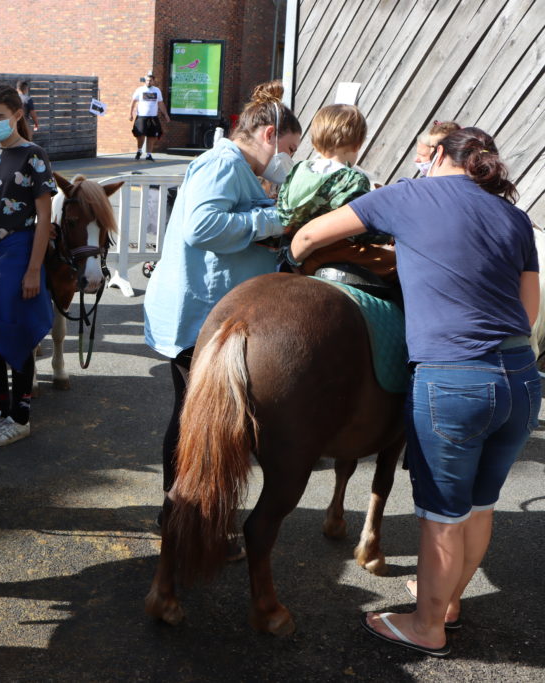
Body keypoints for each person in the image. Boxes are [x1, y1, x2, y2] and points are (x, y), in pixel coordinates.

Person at [291, 127, 539, 658]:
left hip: (453, 378)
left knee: (441, 513)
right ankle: (446, 603)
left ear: (441, 157)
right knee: (479, 505)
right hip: (519, 377)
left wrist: (294, 251)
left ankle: (427, 627)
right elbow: (529, 310)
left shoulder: (409, 194)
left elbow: (308, 238)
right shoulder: (515, 218)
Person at [143, 80, 301, 529]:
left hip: (205, 313)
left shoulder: (233, 166)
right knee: (194, 420)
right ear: (270, 135)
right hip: (201, 317)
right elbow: (204, 227)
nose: (288, 160)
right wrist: (277, 220)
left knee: (193, 417)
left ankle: (183, 515)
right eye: (289, 148)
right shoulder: (224, 163)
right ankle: (184, 517)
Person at [0, 85, 57, 447]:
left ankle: (20, 415)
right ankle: (1, 408)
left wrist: (34, 269)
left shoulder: (34, 156)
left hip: (19, 249)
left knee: (15, 330)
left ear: (17, 115)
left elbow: (44, 219)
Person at [275, 104, 395, 280]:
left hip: (294, 248)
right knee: (399, 265)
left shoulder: (299, 169)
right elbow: (360, 229)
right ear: (357, 144)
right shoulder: (351, 179)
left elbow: (283, 212)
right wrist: (386, 236)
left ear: (315, 141)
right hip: (336, 251)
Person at [130, 73, 170, 161]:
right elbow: (133, 101)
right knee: (140, 134)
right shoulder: (140, 90)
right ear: (145, 81)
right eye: (147, 80)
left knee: (152, 136)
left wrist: (166, 114)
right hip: (142, 116)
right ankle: (139, 150)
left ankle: (149, 154)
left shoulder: (157, 91)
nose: (148, 82)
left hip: (153, 117)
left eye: (150, 80)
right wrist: (131, 114)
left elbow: (160, 103)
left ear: (153, 81)